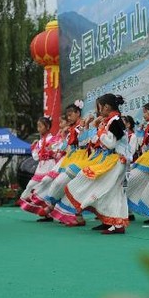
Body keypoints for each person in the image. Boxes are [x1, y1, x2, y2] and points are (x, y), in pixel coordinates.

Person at [63, 93, 131, 235]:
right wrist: (96, 129)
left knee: (110, 190)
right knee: (109, 191)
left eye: (99, 107)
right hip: (112, 159)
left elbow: (111, 143)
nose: (99, 110)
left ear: (106, 106)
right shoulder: (111, 120)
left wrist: (99, 131)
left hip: (116, 159)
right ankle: (109, 222)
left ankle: (115, 224)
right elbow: (97, 141)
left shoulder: (115, 121)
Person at [19, 116, 59, 220]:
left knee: (46, 187)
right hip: (41, 167)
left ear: (47, 127)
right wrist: (34, 148)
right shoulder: (39, 142)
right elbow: (36, 157)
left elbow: (57, 152)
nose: (38, 129)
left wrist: (50, 150)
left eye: (40, 126)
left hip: (50, 165)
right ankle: (42, 210)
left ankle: (48, 213)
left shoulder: (54, 139)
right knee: (31, 185)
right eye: (38, 126)